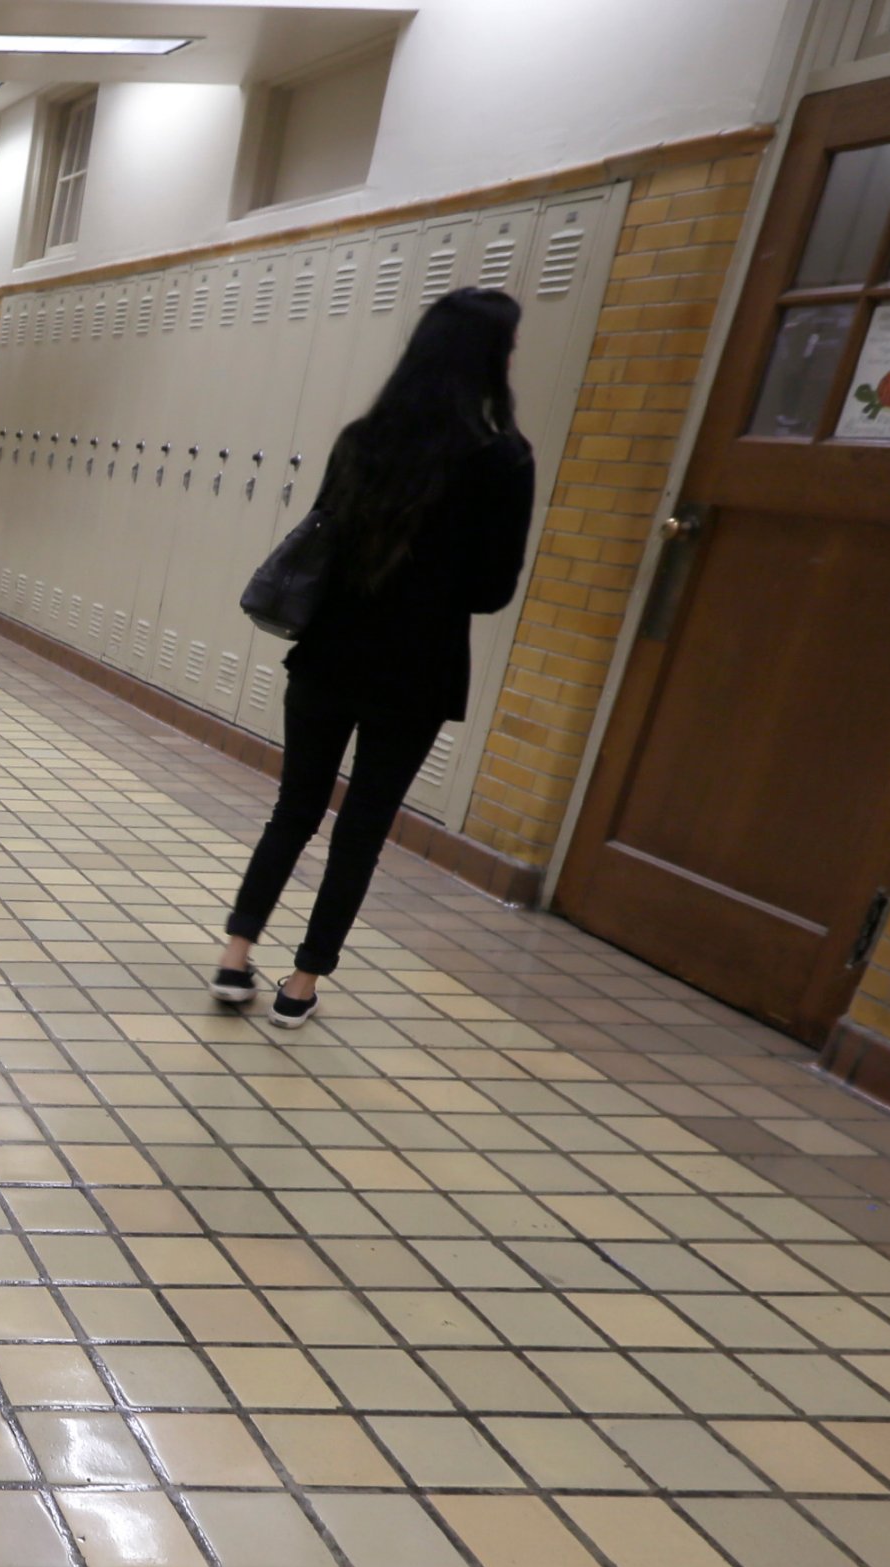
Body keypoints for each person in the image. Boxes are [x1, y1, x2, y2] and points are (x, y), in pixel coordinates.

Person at [214, 287, 536, 1030]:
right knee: (361, 829)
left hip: (329, 658)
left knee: (294, 811)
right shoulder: (504, 460)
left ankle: (235, 958)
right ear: (491, 359)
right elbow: (490, 592)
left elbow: (326, 545)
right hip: (416, 675)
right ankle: (301, 983)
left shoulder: (363, 441)